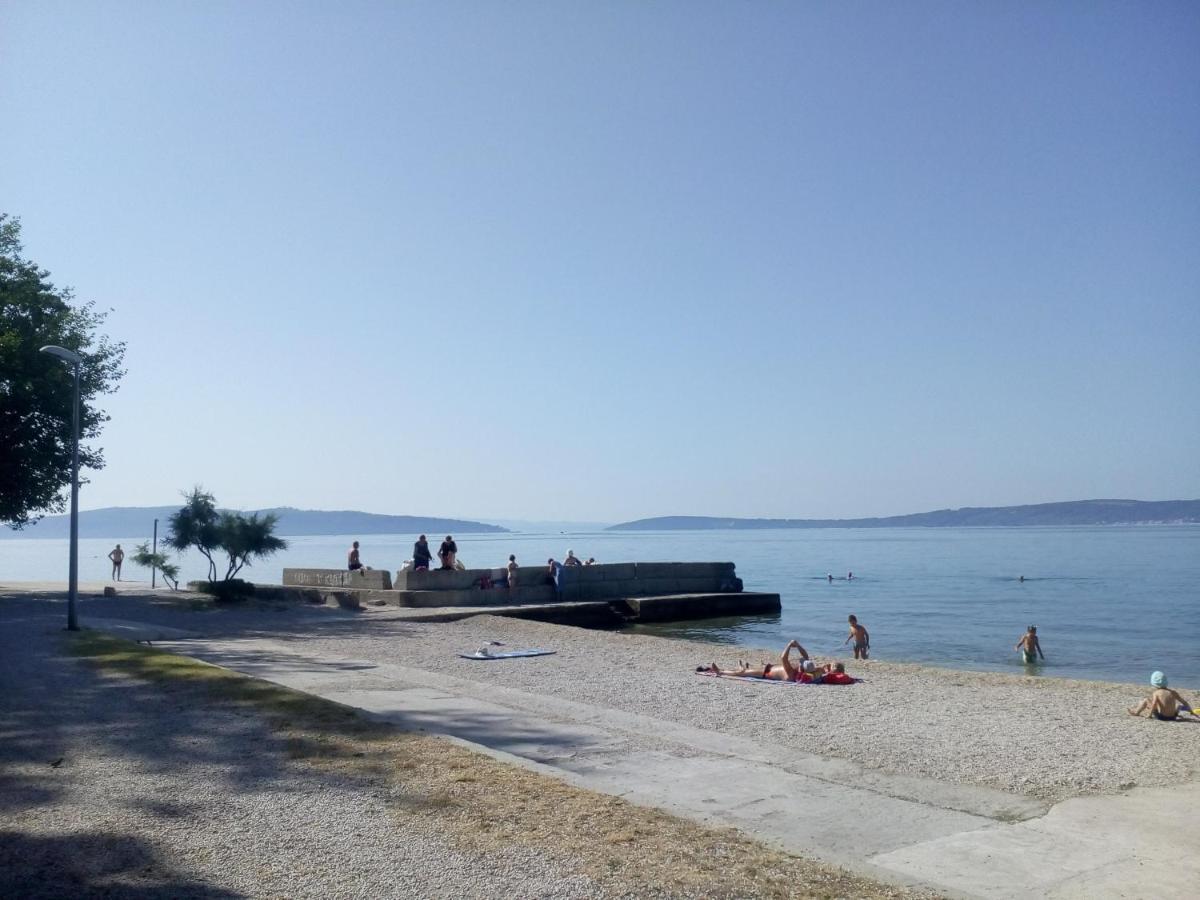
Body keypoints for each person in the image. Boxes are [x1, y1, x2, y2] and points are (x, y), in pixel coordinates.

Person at [701, 640, 814, 681]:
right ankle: (738, 668)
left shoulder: (792, 673)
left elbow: (783, 657)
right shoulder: (801, 669)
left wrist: (789, 645)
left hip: (765, 673)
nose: (800, 661)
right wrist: (798, 645)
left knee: (741, 673)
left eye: (801, 663)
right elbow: (806, 656)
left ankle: (720, 671)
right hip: (768, 668)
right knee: (744, 670)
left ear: (801, 668)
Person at [1128, 672, 1194, 721]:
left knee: (1146, 700)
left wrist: (1149, 715)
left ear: (1154, 684)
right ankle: (1178, 712)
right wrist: (1191, 711)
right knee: (1177, 705)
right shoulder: (1173, 692)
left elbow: (1154, 704)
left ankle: (1136, 712)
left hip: (1162, 717)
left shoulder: (1156, 693)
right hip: (1173, 717)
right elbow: (1184, 702)